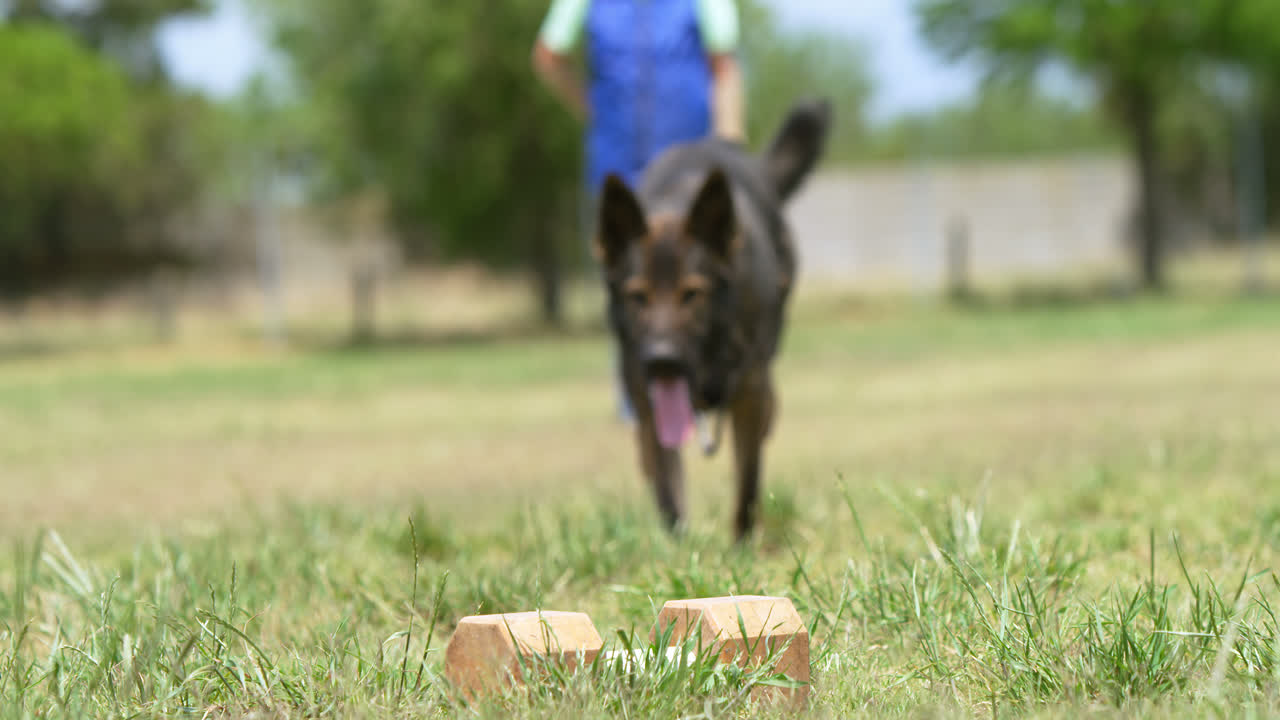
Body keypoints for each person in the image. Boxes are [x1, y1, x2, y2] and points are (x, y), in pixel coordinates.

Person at [531, 0, 746, 421]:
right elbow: (547, 56)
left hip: (687, 164)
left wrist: (729, 145)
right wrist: (593, 110)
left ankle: (697, 387)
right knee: (629, 283)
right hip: (619, 166)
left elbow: (725, 68)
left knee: (693, 279)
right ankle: (637, 398)